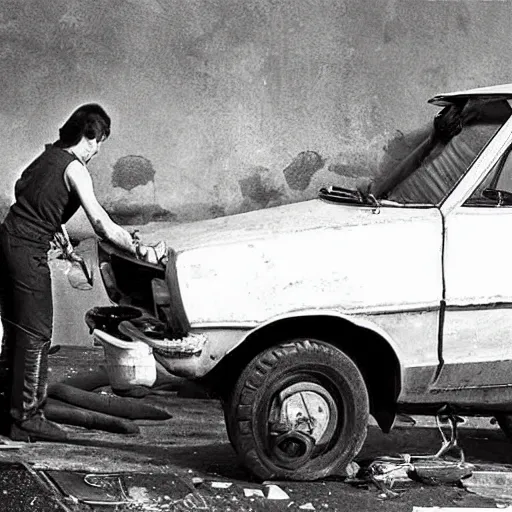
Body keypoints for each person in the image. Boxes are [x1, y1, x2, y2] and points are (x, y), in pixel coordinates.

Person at [0, 104, 138, 442]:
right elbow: (102, 225)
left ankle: (6, 410)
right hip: (26, 252)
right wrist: (136, 247)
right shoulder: (75, 168)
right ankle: (28, 418)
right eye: (98, 141)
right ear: (88, 136)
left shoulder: (48, 157)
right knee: (36, 331)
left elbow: (25, 193)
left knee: (16, 329)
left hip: (7, 241)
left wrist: (54, 226)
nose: (97, 149)